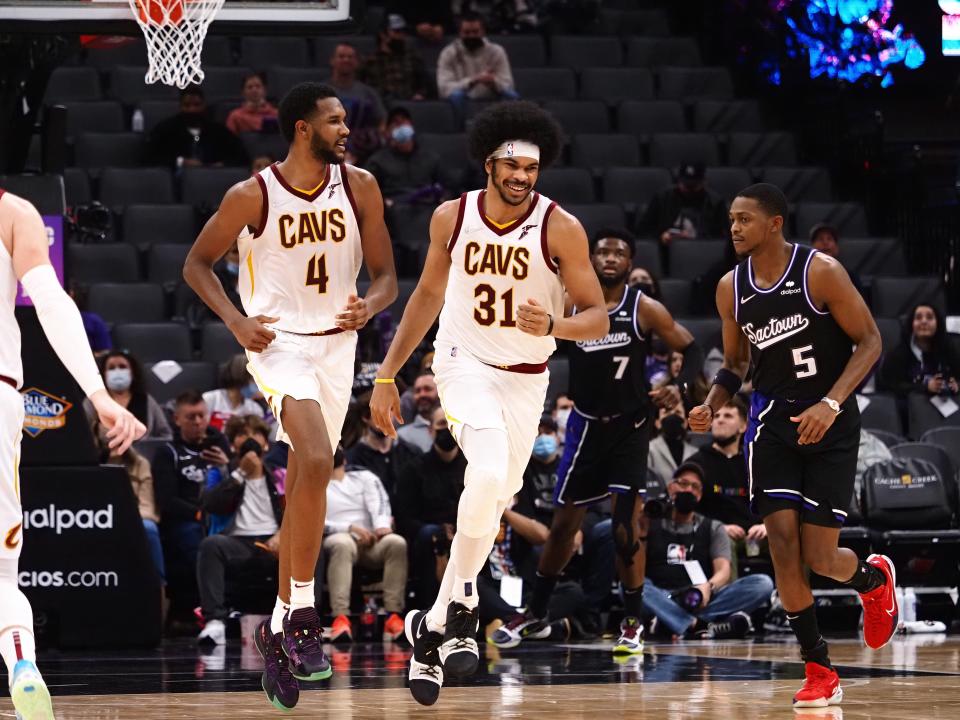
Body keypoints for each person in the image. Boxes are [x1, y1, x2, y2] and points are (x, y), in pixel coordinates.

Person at [369, 100, 608, 706]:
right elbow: (425, 294)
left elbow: (598, 315)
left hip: (527, 379)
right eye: (512, 164)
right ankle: (459, 611)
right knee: (489, 472)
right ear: (489, 163)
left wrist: (555, 322)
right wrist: (388, 374)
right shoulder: (452, 217)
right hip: (462, 363)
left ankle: (437, 619)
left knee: (493, 498)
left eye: (532, 166)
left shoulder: (562, 227)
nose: (523, 175)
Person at [182, 82, 398, 711]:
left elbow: (386, 277)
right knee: (311, 455)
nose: (346, 130)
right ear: (303, 128)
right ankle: (302, 612)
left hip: (338, 345)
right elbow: (197, 265)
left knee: (317, 472)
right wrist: (236, 322)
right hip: (277, 343)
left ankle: (280, 619)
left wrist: (372, 306)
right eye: (335, 122)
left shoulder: (361, 187)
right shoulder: (251, 195)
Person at [688, 183, 896, 708]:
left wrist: (830, 402)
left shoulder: (819, 271)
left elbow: (871, 341)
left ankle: (872, 579)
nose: (734, 228)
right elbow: (735, 366)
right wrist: (712, 404)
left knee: (822, 558)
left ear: (774, 223)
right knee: (782, 546)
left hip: (830, 423)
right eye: (730, 220)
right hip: (774, 424)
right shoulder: (730, 288)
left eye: (744, 219)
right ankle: (819, 666)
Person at [491, 225, 702, 655]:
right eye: (601, 251)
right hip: (584, 425)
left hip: (631, 426)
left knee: (627, 530)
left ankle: (631, 622)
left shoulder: (644, 308)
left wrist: (676, 388)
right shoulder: (572, 303)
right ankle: (535, 611)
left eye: (617, 253)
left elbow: (692, 348)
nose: (608, 258)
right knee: (563, 527)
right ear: (591, 258)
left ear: (630, 262)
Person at [0, 189, 145, 719]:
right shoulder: (13, 212)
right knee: (0, 577)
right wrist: (98, 394)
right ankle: (21, 664)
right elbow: (52, 302)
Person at [642, 463, 775, 640]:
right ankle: (699, 626)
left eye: (695, 486)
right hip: (660, 594)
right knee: (633, 586)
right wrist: (641, 525)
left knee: (762, 583)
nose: (688, 490)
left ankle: (669, 621)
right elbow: (636, 567)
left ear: (700, 495)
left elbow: (723, 570)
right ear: (670, 487)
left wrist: (708, 587)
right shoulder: (651, 521)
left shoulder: (713, 527)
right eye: (683, 483)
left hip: (699, 598)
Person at [195, 414, 284, 645]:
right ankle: (215, 622)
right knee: (210, 545)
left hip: (276, 540)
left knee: (314, 547)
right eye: (242, 434)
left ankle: (304, 620)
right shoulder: (222, 472)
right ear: (234, 442)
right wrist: (239, 474)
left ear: (266, 442)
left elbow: (298, 508)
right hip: (238, 542)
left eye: (256, 433)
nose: (249, 438)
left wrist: (283, 534)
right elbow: (209, 504)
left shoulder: (279, 473)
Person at [323, 448, 407, 643]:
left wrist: (381, 527)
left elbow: (380, 504)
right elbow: (315, 522)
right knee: (342, 544)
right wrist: (350, 528)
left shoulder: (364, 477)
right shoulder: (315, 483)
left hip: (371, 540)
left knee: (396, 543)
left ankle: (392, 615)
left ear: (344, 458)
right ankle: (340, 617)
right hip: (339, 536)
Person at [153, 391, 232, 580]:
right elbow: (167, 500)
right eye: (191, 417)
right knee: (198, 541)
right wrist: (199, 514)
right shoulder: (168, 452)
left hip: (223, 516)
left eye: (201, 416)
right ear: (177, 419)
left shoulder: (220, 445)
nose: (197, 422)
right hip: (187, 519)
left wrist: (227, 466)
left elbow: (237, 484)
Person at [394, 405, 466, 608]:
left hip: (464, 532)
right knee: (430, 535)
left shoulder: (471, 467)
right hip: (426, 536)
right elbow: (404, 517)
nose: (447, 430)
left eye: (452, 424)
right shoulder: (413, 468)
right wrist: (441, 531)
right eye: (442, 424)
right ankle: (430, 607)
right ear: (430, 430)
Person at [687, 396, 766, 545]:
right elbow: (687, 510)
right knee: (725, 543)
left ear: (743, 426)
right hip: (713, 537)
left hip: (756, 536)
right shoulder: (696, 463)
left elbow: (770, 501)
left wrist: (766, 525)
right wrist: (719, 528)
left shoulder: (755, 462)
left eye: (728, 415)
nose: (720, 420)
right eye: (716, 416)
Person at [147, 85, 247, 170]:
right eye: (187, 105)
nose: (192, 109)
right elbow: (149, 156)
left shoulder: (217, 131)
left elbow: (240, 156)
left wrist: (221, 165)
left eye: (196, 105)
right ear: (180, 106)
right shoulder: (166, 128)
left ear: (204, 106)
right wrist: (180, 161)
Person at [437, 12, 519, 114]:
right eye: (467, 32)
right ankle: (460, 129)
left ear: (483, 32)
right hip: (463, 97)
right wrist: (472, 81)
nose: (471, 36)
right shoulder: (448, 53)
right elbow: (444, 89)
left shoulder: (497, 51)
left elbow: (509, 85)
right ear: (460, 33)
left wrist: (493, 82)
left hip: (491, 95)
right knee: (456, 96)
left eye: (475, 32)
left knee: (511, 95)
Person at [83, 349, 172, 440]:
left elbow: (166, 435)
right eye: (111, 368)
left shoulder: (146, 400)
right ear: (104, 374)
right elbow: (82, 433)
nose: (117, 371)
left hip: (141, 452)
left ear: (133, 372)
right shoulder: (94, 400)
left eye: (122, 367)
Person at [364, 107, 446, 204]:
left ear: (411, 127)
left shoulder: (431, 158)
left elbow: (448, 187)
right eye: (395, 123)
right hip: (394, 209)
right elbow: (367, 192)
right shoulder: (377, 162)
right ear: (387, 132)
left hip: (427, 207)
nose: (401, 127)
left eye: (404, 122)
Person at [878, 303, 960, 397]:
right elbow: (892, 386)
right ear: (911, 324)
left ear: (938, 323)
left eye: (929, 317)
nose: (924, 321)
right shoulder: (897, 354)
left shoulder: (949, 348)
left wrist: (956, 384)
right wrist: (925, 387)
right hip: (909, 407)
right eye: (918, 318)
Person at [640, 162, 729, 248]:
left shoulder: (715, 203)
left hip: (703, 251)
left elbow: (723, 237)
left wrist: (697, 237)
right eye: (686, 185)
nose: (689, 190)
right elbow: (643, 231)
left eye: (693, 186)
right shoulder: (662, 198)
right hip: (665, 252)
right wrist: (661, 237)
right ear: (678, 181)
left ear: (703, 182)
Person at [328, 43, 387, 164]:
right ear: (332, 61)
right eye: (341, 56)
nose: (346, 60)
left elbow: (382, 122)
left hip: (362, 151)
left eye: (350, 57)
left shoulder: (368, 93)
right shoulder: (321, 91)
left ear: (357, 62)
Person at [361, 14, 432, 103]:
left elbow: (424, 83)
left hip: (409, 105)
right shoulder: (371, 61)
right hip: (381, 106)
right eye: (397, 31)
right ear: (383, 34)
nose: (402, 36)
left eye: (403, 31)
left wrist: (420, 94)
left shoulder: (413, 57)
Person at [202, 354, 267, 432]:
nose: (258, 384)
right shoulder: (209, 399)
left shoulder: (255, 409)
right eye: (254, 380)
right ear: (241, 377)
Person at [808, 224, 863, 297]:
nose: (825, 242)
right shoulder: (804, 276)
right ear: (811, 247)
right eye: (820, 239)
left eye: (830, 239)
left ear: (837, 248)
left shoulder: (850, 276)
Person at [648, 403, 697, 484]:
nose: (672, 415)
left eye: (678, 412)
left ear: (685, 422)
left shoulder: (695, 452)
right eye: (666, 412)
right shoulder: (649, 450)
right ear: (657, 423)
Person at [396, 372, 441, 451]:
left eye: (428, 389)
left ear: (441, 392)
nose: (422, 394)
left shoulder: (456, 428)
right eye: (417, 391)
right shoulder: (402, 436)